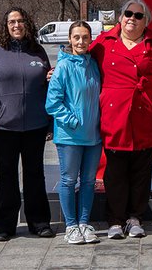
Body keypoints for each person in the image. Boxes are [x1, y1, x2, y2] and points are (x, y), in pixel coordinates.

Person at [90, 0, 152, 240]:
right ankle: (115, 220)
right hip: (114, 116)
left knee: (140, 172)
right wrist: (59, 69)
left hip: (143, 116)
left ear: (146, 21)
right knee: (114, 174)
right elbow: (82, 60)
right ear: (120, 17)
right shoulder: (104, 43)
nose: (132, 19)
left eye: (139, 16)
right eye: (128, 13)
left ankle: (136, 217)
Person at [0, 7, 54, 241]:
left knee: (35, 175)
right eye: (12, 21)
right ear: (6, 25)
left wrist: (50, 122)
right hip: (3, 127)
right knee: (6, 176)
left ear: (27, 24)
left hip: (35, 125)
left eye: (21, 21)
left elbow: (50, 88)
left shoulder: (38, 51)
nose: (17, 25)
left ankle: (39, 222)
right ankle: (4, 226)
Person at [46, 21, 104, 245]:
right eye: (77, 37)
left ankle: (84, 223)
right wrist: (71, 120)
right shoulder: (63, 66)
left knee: (89, 181)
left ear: (91, 39)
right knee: (69, 180)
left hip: (93, 135)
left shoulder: (93, 64)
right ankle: (70, 225)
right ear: (69, 39)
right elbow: (52, 103)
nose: (81, 42)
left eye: (85, 37)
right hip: (70, 136)